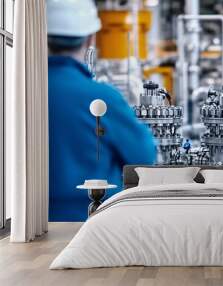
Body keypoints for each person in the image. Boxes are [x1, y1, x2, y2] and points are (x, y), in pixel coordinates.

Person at [47, 0, 156, 221]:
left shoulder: (13, 91)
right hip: (94, 221)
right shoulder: (102, 97)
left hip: (30, 217)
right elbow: (144, 158)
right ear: (91, 39)